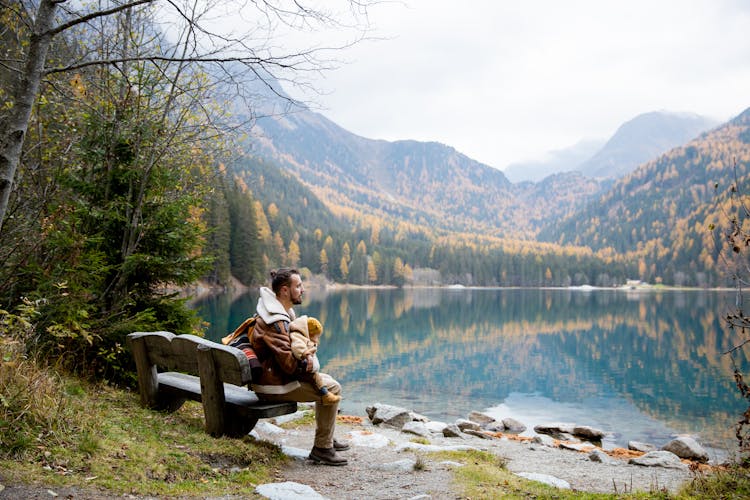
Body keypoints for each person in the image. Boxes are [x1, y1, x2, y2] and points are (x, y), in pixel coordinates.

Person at [249, 268, 349, 466]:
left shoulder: (278, 312)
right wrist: (310, 361)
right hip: (273, 386)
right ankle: (322, 448)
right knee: (332, 387)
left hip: (272, 377)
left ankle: (325, 437)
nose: (302, 290)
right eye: (298, 286)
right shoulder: (275, 322)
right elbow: (290, 366)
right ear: (285, 291)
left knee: (328, 382)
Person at [288, 315, 341, 406]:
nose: (317, 340)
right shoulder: (297, 336)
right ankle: (325, 394)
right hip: (299, 371)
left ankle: (326, 397)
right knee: (319, 379)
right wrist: (307, 354)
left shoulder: (301, 335)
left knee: (327, 377)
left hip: (299, 369)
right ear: (310, 334)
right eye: (317, 337)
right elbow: (297, 347)